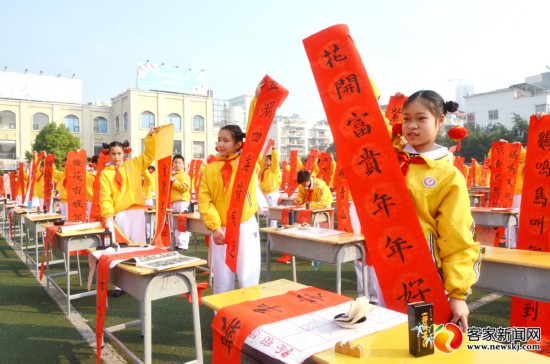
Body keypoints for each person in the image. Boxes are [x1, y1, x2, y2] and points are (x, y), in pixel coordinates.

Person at [395, 90, 481, 331]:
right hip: (388, 268)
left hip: (427, 278)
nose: (411, 126)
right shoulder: (393, 163)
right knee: (389, 344)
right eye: (406, 118)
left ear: (440, 121)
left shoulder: (448, 175)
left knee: (425, 347)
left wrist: (457, 294)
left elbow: (457, 235)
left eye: (421, 119)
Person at [198, 124, 261, 294]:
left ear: (238, 144)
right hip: (221, 231)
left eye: (226, 140)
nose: (221, 144)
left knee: (248, 273)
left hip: (245, 225)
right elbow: (205, 201)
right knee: (222, 276)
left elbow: (257, 126)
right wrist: (215, 227)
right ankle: (222, 315)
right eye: (219, 140)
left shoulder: (246, 163)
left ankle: (249, 313)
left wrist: (257, 100)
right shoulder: (210, 169)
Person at [99, 128, 157, 296]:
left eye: (119, 153)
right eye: (113, 154)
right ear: (108, 155)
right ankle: (119, 285)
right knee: (121, 247)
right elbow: (105, 196)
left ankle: (140, 279)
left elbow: (148, 155)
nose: (116, 157)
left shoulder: (134, 165)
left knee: (138, 244)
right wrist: (108, 215)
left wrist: (149, 138)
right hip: (120, 214)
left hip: (137, 210)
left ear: (125, 153)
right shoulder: (105, 174)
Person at [170, 154, 191, 250]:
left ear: (183, 164)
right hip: (173, 202)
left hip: (182, 202)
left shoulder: (184, 176)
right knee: (175, 224)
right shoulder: (172, 175)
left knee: (181, 223)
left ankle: (183, 245)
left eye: (179, 163)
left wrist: (174, 181)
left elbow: (185, 188)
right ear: (172, 164)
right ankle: (178, 244)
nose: (177, 165)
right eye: (175, 163)